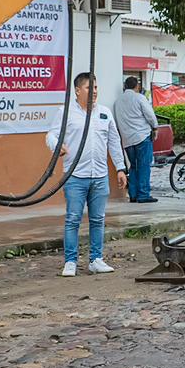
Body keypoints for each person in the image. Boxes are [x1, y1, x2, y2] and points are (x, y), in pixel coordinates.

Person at [46, 72, 128, 277]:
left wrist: (120, 168)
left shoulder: (104, 113)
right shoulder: (66, 112)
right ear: (77, 90)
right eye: (89, 88)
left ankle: (96, 260)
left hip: (99, 176)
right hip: (75, 176)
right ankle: (70, 262)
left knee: (98, 219)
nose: (94, 92)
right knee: (73, 219)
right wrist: (56, 145)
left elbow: (114, 141)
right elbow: (51, 135)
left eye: (96, 87)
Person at [115, 76, 158, 204]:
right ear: (137, 86)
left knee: (133, 166)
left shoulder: (117, 102)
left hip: (127, 139)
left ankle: (133, 194)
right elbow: (150, 115)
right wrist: (155, 127)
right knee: (144, 166)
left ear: (125, 86)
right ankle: (143, 194)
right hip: (142, 136)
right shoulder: (139, 98)